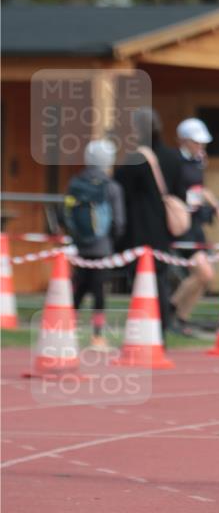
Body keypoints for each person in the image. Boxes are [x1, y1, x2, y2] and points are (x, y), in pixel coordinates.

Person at [114, 108, 185, 335]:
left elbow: (119, 192)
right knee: (161, 282)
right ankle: (161, 330)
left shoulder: (135, 160)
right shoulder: (174, 158)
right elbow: (180, 195)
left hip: (138, 232)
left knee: (140, 284)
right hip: (163, 231)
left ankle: (141, 331)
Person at [65, 139, 125, 349]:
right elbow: (118, 222)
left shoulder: (75, 183)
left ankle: (66, 330)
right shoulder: (112, 187)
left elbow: (68, 214)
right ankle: (97, 335)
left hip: (79, 247)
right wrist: (113, 242)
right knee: (99, 293)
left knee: (78, 289)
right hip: (102, 248)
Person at [169, 117, 219, 336]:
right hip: (181, 224)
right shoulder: (173, 162)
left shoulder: (198, 161)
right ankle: (170, 307)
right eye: (196, 142)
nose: (200, 146)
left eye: (202, 143)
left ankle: (180, 317)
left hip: (196, 224)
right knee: (204, 273)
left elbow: (200, 190)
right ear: (183, 140)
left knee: (204, 277)